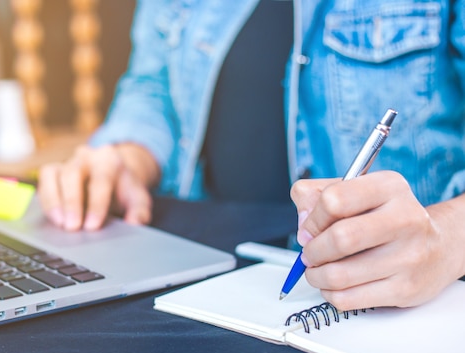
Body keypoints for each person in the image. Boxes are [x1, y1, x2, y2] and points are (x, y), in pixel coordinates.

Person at [38, 0, 465, 311]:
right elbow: (154, 87)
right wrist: (128, 157)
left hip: (391, 296)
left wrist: (444, 238)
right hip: (206, 262)